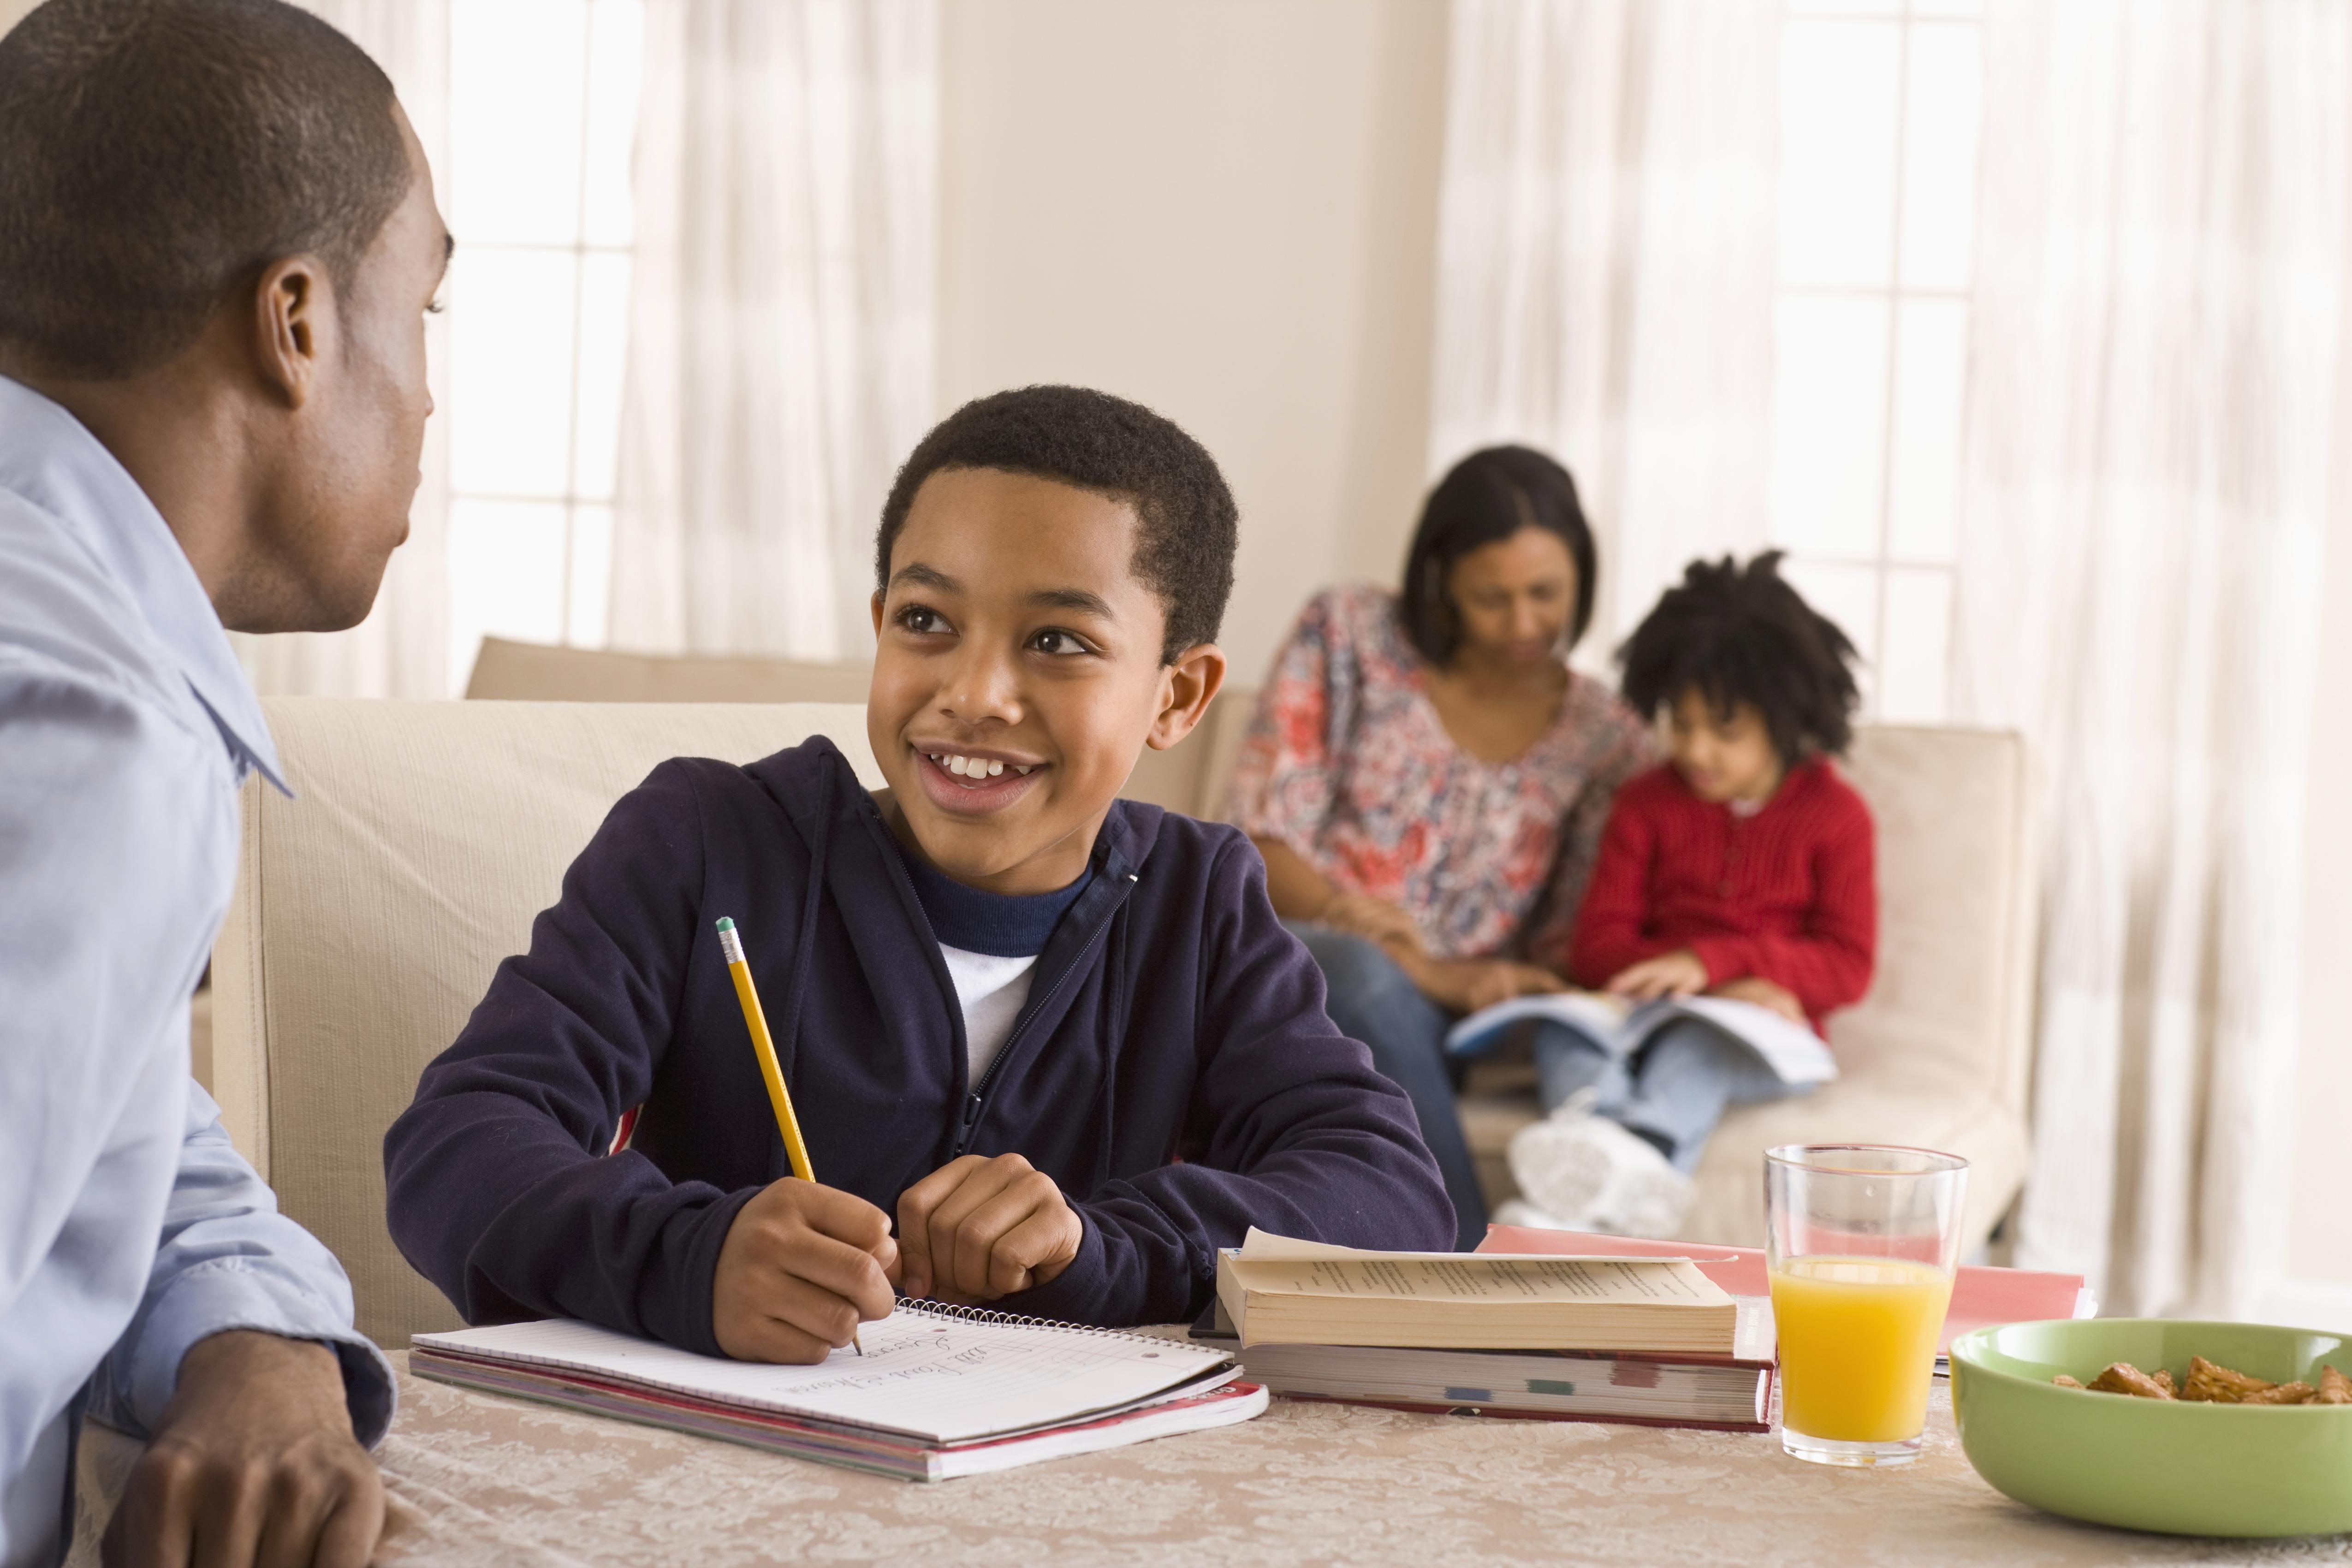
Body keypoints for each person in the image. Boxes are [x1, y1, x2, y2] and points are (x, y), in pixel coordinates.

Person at [383, 386, 1455, 1359]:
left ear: (1178, 695)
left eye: (1059, 641)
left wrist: (1101, 1244)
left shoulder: (1200, 900)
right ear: (879, 623)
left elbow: (1392, 1193)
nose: (975, 691)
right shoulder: (703, 842)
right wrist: (689, 1258)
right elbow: (458, 1142)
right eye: (927, 621)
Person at [0, 0, 450, 1561]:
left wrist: (250, 1332)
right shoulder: (85, 726)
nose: (432, 400)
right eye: (427, 313)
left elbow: (124, 1122)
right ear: (299, 322)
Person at [1225, 447, 1653, 1248]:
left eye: (1545, 595)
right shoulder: (1348, 632)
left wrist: (1494, 987)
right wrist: (1411, 961)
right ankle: (1469, 1262)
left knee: (1377, 1003)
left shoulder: (1608, 738)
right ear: (1441, 579)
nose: (1524, 624)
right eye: (1493, 597)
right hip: (1289, 955)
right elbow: (1259, 839)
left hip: (1434, 1028)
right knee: (1356, 973)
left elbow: (1566, 944)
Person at [1503, 553, 1877, 1237]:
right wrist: (1677, 981)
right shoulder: (1645, 803)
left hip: (1756, 1032)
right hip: (1642, 1017)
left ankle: (1642, 1158)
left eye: (1725, 732)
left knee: (1698, 1047)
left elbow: (1847, 964)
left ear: (1788, 719)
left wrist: (1717, 966)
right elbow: (1597, 948)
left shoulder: (1837, 815)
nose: (1697, 750)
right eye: (1683, 724)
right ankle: (1593, 1163)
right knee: (1562, 1028)